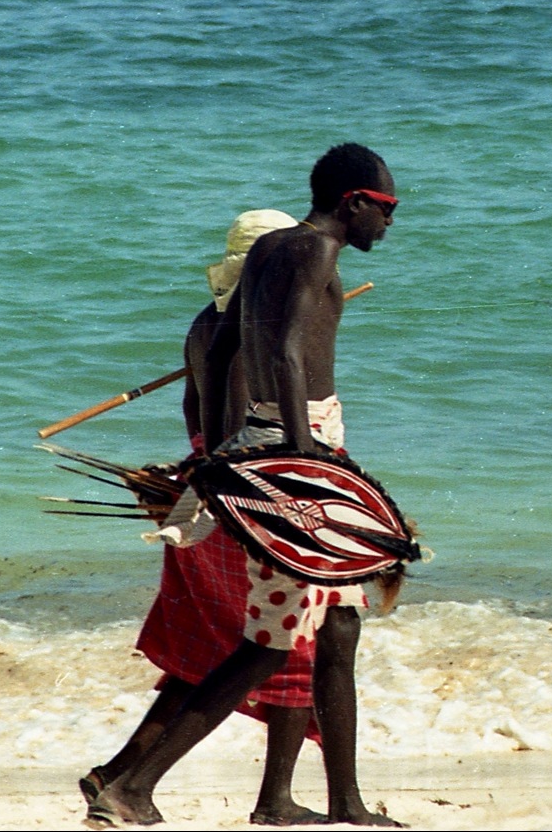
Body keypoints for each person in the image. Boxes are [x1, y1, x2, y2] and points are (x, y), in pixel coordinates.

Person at [88, 144, 402, 829]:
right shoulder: (315, 251)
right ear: (353, 201)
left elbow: (227, 345)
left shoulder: (271, 250)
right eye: (387, 209)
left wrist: (220, 451)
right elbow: (286, 351)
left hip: (274, 438)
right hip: (299, 442)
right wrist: (299, 460)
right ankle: (133, 788)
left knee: (340, 626)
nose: (391, 223)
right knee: (271, 640)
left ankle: (345, 802)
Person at [81, 209, 326, 826]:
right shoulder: (248, 341)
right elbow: (233, 439)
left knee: (216, 657)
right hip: (231, 505)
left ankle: (119, 774)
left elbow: (207, 432)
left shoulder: (206, 326)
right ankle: (270, 800)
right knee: (286, 646)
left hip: (202, 498)